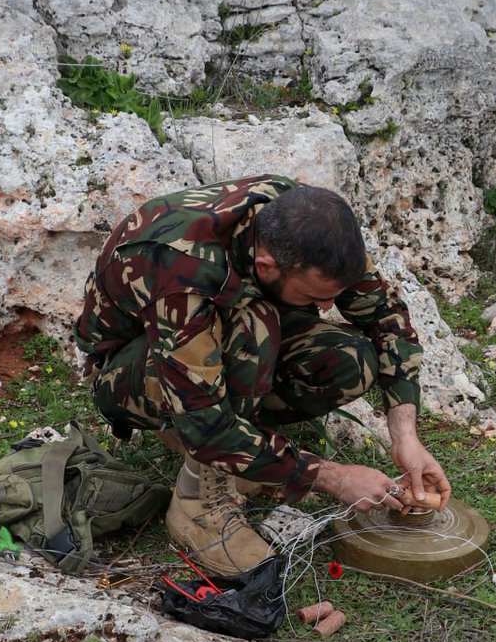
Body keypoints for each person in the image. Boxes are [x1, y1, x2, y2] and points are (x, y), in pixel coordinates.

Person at [74, 174, 451, 575]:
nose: (326, 307)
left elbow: (387, 320)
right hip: (131, 375)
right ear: (267, 266)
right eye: (313, 297)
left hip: (215, 342)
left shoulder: (304, 225)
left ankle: (249, 449)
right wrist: (333, 478)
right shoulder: (182, 267)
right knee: (254, 326)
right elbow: (207, 426)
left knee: (350, 358)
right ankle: (198, 503)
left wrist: (405, 436)